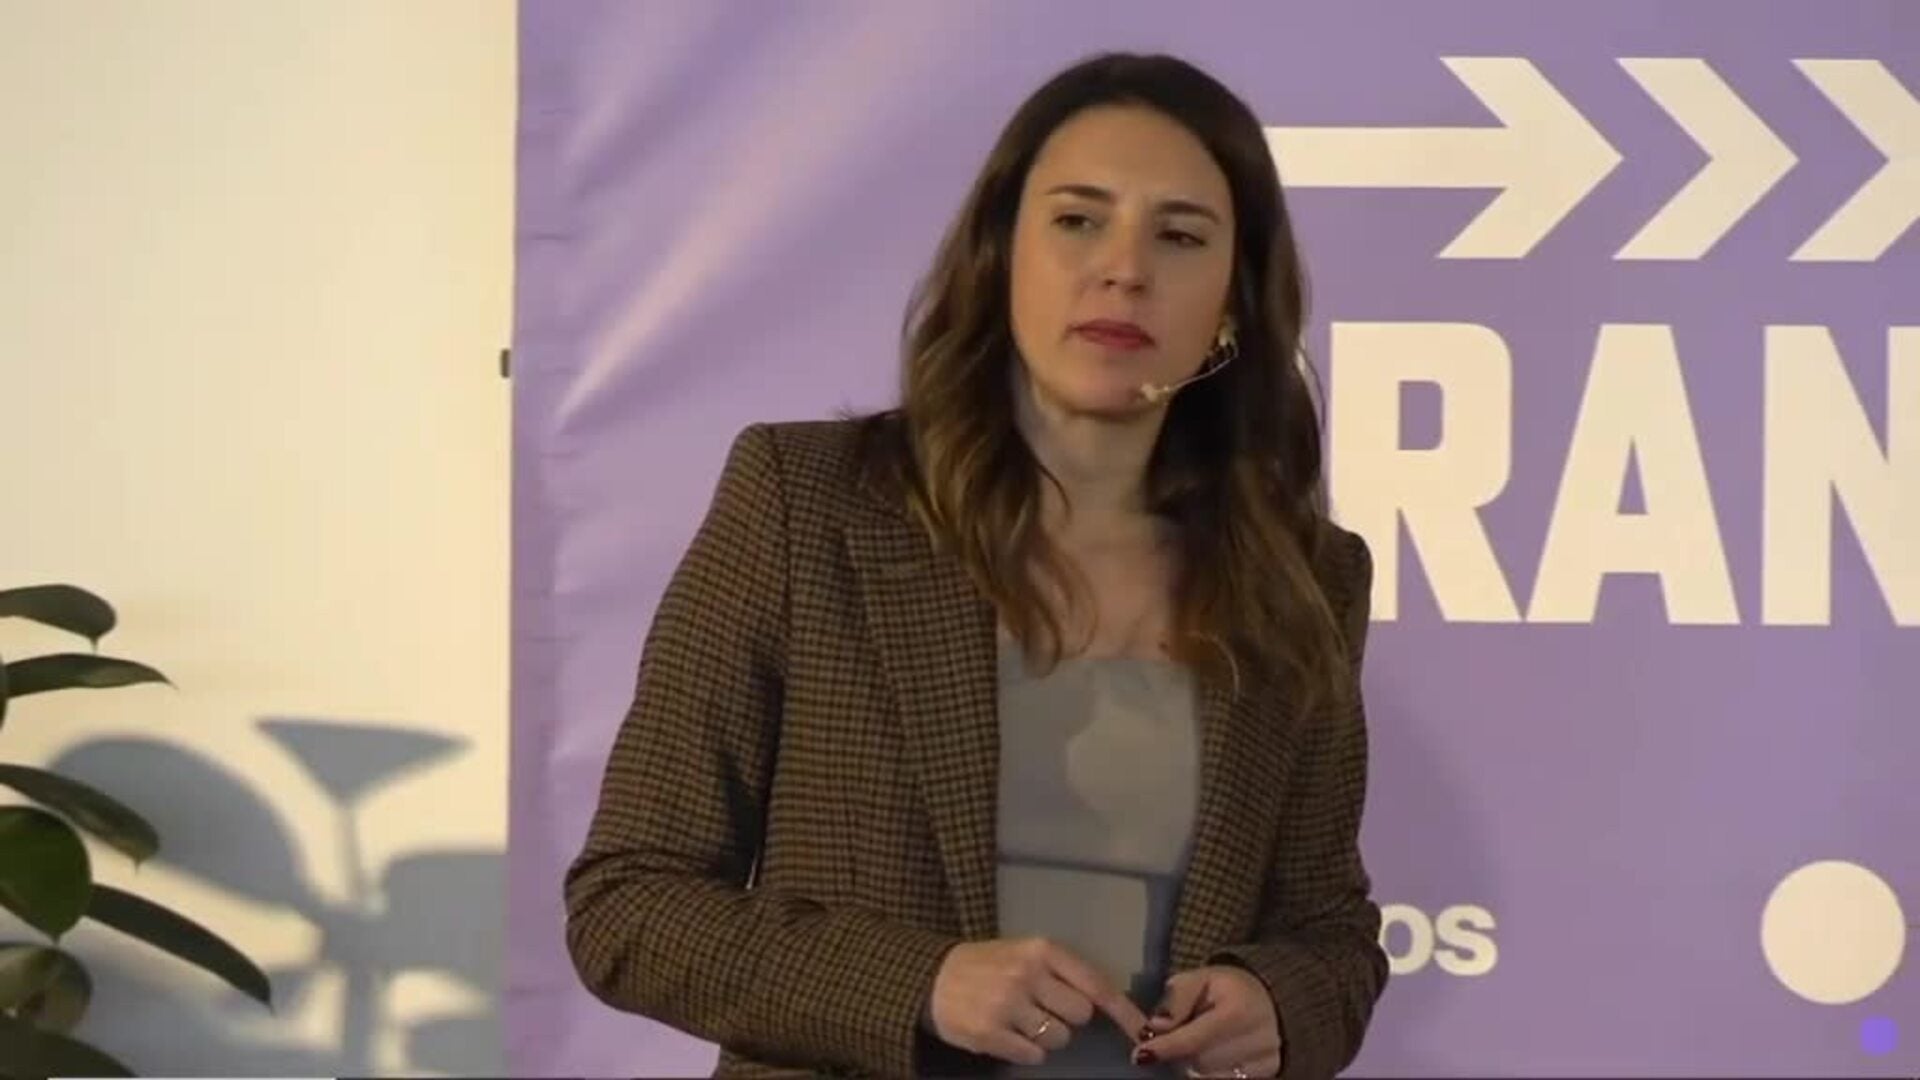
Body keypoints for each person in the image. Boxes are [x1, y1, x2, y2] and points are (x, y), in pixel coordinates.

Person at [564, 51, 1388, 1079]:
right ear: (1002, 256)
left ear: (1233, 299)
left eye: (1179, 236)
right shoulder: (806, 503)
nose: (1124, 269)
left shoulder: (1306, 576)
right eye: (1078, 220)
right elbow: (628, 903)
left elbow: (1330, 930)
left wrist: (1280, 1001)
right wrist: (920, 984)